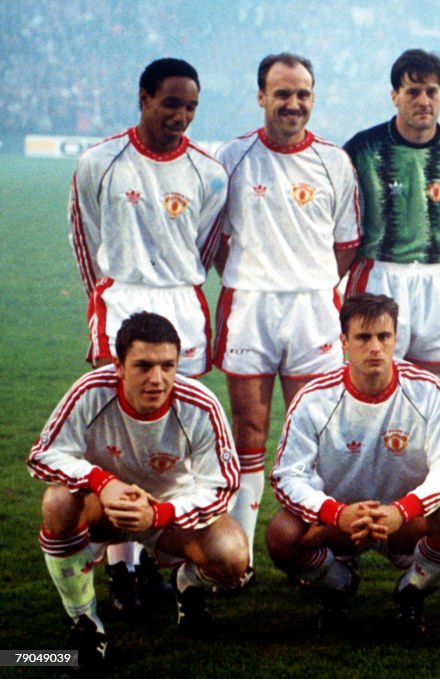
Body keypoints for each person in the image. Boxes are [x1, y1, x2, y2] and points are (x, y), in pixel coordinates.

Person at [67, 57, 228, 611]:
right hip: (120, 298)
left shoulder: (210, 171)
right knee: (116, 436)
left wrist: (177, 284)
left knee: (176, 434)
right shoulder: (99, 161)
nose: (181, 116)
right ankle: (123, 570)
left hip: (181, 304)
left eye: (190, 107)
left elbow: (203, 249)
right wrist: (104, 296)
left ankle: (178, 559)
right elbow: (85, 239)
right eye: (171, 104)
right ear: (143, 98)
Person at [27, 312, 247, 669]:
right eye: (143, 366)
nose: (157, 379)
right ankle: (85, 622)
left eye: (167, 366)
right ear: (119, 365)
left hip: (168, 516)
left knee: (233, 556)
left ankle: (186, 584)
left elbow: (222, 485)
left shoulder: (199, 405)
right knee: (57, 502)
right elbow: (43, 455)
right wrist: (103, 482)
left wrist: (159, 513)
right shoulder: (91, 391)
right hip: (104, 509)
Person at [213, 53, 361, 581]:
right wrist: (259, 275)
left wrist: (307, 279)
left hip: (312, 310)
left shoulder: (333, 162)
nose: (293, 103)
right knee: (249, 431)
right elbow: (214, 241)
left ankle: (319, 545)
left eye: (302, 93)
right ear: (261, 97)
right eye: (282, 93)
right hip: (249, 305)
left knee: (316, 435)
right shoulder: (231, 157)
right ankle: (242, 553)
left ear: (313, 97)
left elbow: (346, 243)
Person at [266, 293, 440, 638]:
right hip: (341, 523)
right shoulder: (314, 398)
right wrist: (336, 513)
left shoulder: (427, 390)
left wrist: (403, 510)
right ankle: (338, 586)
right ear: (344, 342)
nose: (375, 347)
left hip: (407, 522)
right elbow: (288, 475)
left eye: (384, 336)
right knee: (282, 535)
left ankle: (411, 591)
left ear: (396, 339)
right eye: (363, 338)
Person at [343, 49, 440, 386]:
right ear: (395, 96)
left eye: (431, 91)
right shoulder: (363, 148)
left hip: (437, 278)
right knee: (374, 379)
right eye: (412, 91)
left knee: (434, 385)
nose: (423, 100)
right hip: (379, 274)